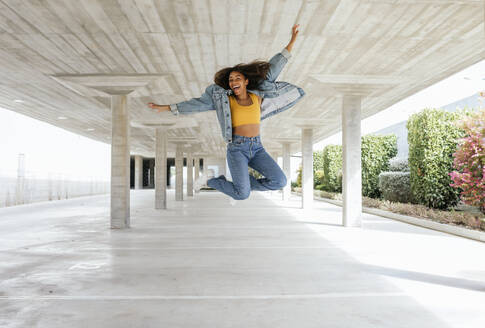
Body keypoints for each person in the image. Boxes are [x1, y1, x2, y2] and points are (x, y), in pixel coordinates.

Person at [148, 24, 305, 202]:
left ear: (246, 81)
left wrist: (292, 40)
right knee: (242, 194)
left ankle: (240, 183)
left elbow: (275, 66)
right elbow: (196, 104)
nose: (233, 81)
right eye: (230, 80)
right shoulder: (223, 99)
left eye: (237, 78)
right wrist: (167, 107)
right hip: (237, 149)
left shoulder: (258, 94)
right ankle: (211, 180)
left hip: (258, 147)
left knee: (280, 181)